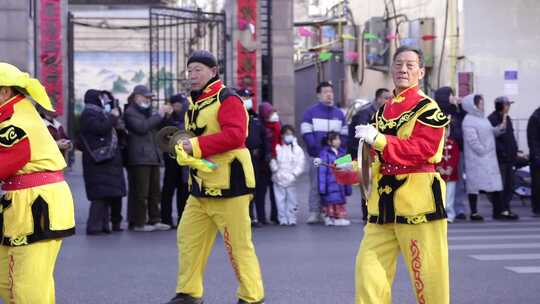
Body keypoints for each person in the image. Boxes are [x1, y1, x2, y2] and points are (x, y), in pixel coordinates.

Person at [165, 50, 265, 304]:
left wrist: (195, 146)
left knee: (238, 247)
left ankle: (251, 297)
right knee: (188, 239)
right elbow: (194, 138)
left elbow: (236, 136)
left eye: (198, 69)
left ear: (213, 71)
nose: (192, 75)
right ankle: (188, 293)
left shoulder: (227, 98)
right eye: (190, 71)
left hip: (230, 183)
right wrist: (183, 147)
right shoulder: (195, 103)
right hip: (201, 186)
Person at [354, 46, 450, 303]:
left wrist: (381, 140)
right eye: (398, 64)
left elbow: (424, 149)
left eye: (410, 65)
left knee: (427, 278)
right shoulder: (382, 111)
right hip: (382, 203)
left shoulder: (428, 108)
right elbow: (371, 158)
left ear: (421, 71)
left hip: (417, 201)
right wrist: (348, 167)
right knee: (368, 272)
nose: (403, 69)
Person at [0, 62, 75, 303]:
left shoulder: (16, 122)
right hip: (25, 203)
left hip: (35, 204)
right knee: (19, 281)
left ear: (4, 92)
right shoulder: (14, 113)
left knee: (27, 287)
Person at [461, 94, 519, 220]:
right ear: (474, 105)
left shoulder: (483, 119)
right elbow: (472, 140)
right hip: (476, 159)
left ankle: (499, 211)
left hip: (489, 158)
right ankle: (474, 212)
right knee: (474, 185)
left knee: (495, 184)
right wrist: (483, 151)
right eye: (480, 104)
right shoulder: (469, 120)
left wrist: (499, 129)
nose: (483, 106)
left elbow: (491, 131)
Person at [124, 84, 173, 232]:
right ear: (136, 97)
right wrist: (158, 115)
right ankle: (139, 222)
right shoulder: (130, 112)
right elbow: (142, 127)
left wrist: (166, 115)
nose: (148, 100)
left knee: (154, 191)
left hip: (153, 156)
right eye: (146, 97)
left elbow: (159, 128)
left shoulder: (148, 112)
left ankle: (155, 219)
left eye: (150, 98)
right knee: (141, 192)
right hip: (139, 157)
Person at [79, 89, 127, 234]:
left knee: (106, 194)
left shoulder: (100, 113)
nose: (105, 101)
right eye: (102, 98)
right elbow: (99, 128)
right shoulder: (89, 114)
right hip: (98, 159)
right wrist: (112, 117)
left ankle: (104, 225)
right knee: (100, 195)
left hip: (107, 159)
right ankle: (94, 226)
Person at [301, 81, 348, 224]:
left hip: (336, 157)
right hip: (318, 157)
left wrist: (340, 153)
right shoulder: (310, 113)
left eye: (331, 92)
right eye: (325, 92)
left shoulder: (339, 114)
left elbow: (345, 135)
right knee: (317, 184)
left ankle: (332, 212)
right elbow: (306, 134)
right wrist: (317, 151)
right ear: (319, 95)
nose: (329, 95)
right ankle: (315, 212)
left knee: (335, 185)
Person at [348, 88, 390, 222]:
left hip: (380, 153)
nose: (388, 100)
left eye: (390, 98)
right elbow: (361, 136)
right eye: (385, 97)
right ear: (377, 98)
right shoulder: (365, 114)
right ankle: (367, 214)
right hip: (365, 153)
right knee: (366, 185)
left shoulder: (387, 114)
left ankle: (379, 211)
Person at [434, 86, 467, 220]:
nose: (453, 97)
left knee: (457, 180)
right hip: (440, 150)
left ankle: (458, 209)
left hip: (456, 149)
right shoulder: (436, 112)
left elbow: (464, 121)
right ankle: (442, 209)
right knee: (440, 181)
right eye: (451, 95)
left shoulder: (456, 111)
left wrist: (460, 107)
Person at [239, 88, 269, 227]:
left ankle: (260, 217)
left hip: (257, 158)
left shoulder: (256, 118)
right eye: (244, 98)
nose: (248, 100)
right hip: (242, 158)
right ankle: (248, 217)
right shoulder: (237, 116)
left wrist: (266, 154)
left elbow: (264, 137)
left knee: (258, 188)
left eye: (249, 97)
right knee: (246, 189)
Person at [160, 93, 190, 227]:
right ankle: (166, 219)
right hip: (171, 158)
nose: (182, 106)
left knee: (183, 189)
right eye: (179, 104)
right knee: (168, 189)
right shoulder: (167, 118)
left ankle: (182, 219)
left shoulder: (188, 117)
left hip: (184, 158)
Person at [270, 125, 305, 226]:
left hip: (291, 179)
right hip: (278, 178)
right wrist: (276, 171)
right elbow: (273, 160)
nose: (289, 136)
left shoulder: (297, 149)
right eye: (286, 134)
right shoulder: (277, 148)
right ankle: (282, 219)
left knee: (292, 200)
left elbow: (300, 163)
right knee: (279, 200)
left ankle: (292, 218)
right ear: (282, 135)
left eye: (291, 134)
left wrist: (294, 174)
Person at [488, 96, 518, 213]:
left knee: (509, 184)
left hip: (509, 158)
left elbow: (510, 137)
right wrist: (503, 152)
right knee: (501, 185)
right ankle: (500, 209)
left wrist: (515, 150)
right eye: (507, 105)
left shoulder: (507, 118)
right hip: (500, 158)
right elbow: (494, 139)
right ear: (500, 105)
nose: (508, 107)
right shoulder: (492, 119)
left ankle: (506, 207)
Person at [318, 131, 352, 226]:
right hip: (330, 183)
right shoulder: (325, 154)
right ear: (329, 142)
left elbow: (347, 170)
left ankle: (339, 218)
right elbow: (322, 171)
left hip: (340, 183)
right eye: (336, 139)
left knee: (339, 202)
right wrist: (322, 187)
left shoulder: (342, 153)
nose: (338, 141)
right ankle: (330, 218)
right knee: (330, 202)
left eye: (339, 139)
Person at [259, 101, 280, 224]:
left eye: (273, 112)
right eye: (270, 112)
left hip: (276, 162)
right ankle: (261, 217)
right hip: (262, 164)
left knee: (275, 191)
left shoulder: (277, 126)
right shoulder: (260, 126)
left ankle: (275, 215)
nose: (273, 115)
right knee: (261, 192)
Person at [436, 125, 460, 223]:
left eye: (446, 131)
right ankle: (440, 214)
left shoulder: (453, 143)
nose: (444, 133)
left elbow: (455, 156)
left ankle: (450, 214)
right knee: (439, 195)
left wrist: (450, 168)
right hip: (439, 174)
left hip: (451, 175)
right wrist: (438, 167)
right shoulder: (436, 143)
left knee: (450, 196)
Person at [528, 106, 540, 216]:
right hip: (538, 157)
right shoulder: (535, 117)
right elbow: (532, 140)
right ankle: (537, 208)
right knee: (537, 184)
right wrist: (536, 156)